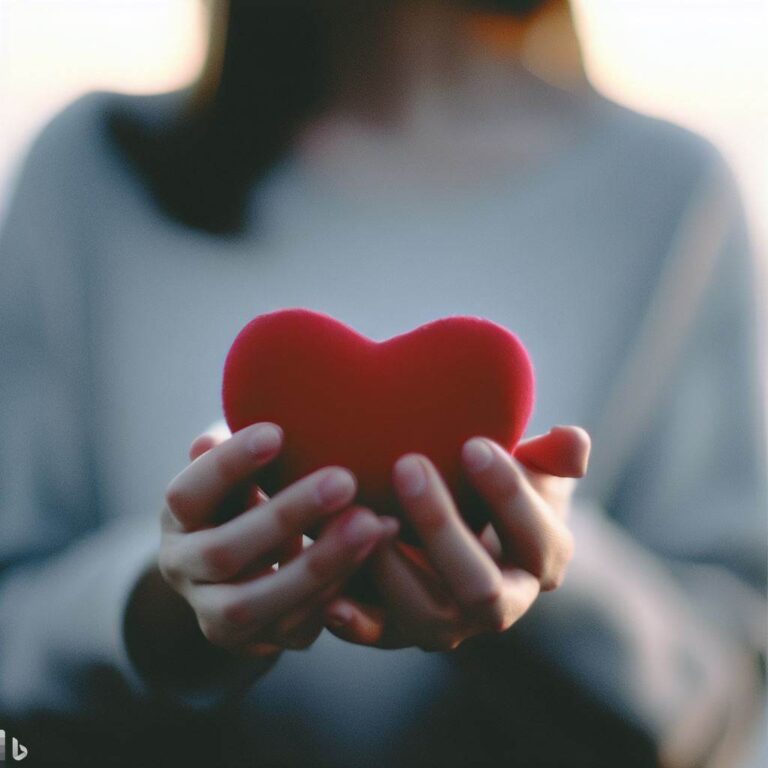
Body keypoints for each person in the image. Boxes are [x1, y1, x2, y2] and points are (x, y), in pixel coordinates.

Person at [0, 1, 765, 766]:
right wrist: (161, 613)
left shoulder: (672, 191)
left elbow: (730, 693)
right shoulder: (91, 169)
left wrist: (551, 574)